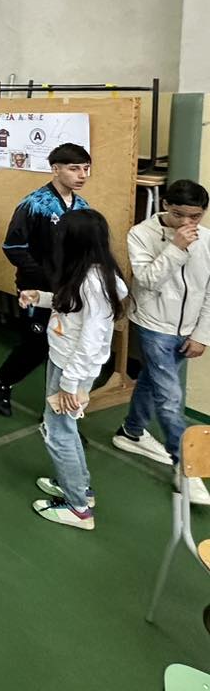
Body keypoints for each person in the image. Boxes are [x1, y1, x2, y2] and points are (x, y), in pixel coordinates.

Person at [22, 209, 127, 529]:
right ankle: (79, 488)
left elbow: (92, 337)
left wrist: (69, 382)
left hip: (73, 369)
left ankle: (78, 508)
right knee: (64, 429)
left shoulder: (93, 283)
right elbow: (73, 309)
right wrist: (40, 298)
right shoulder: (90, 274)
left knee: (57, 433)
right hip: (66, 361)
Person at [113, 180, 210, 503]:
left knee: (151, 382)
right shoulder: (141, 234)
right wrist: (177, 248)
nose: (187, 223)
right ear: (165, 204)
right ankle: (185, 465)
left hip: (188, 328)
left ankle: (131, 431)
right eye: (179, 214)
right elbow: (148, 279)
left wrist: (201, 334)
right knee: (169, 397)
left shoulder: (207, 239)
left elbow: (209, 291)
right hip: (154, 325)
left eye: (195, 217)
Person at [0, 143, 92, 417]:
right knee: (36, 346)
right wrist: (45, 278)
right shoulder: (33, 204)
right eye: (74, 169)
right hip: (36, 290)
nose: (82, 175)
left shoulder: (82, 207)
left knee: (64, 347)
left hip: (70, 290)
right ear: (55, 169)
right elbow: (13, 247)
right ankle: (1, 381)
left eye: (85, 169)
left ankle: (59, 413)